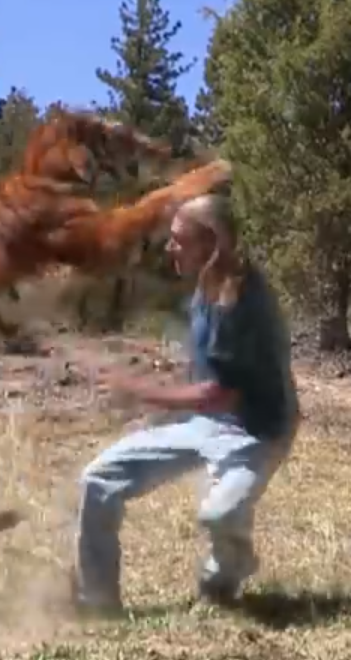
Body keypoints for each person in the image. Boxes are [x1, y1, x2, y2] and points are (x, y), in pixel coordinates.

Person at [70, 193, 299, 615]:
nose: (169, 248)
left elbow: (221, 393)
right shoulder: (204, 290)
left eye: (179, 239)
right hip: (206, 423)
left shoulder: (244, 301)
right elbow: (204, 379)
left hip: (257, 433)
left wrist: (136, 389)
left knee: (220, 515)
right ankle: (97, 600)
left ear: (210, 244)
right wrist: (160, 416)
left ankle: (223, 582)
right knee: (98, 479)